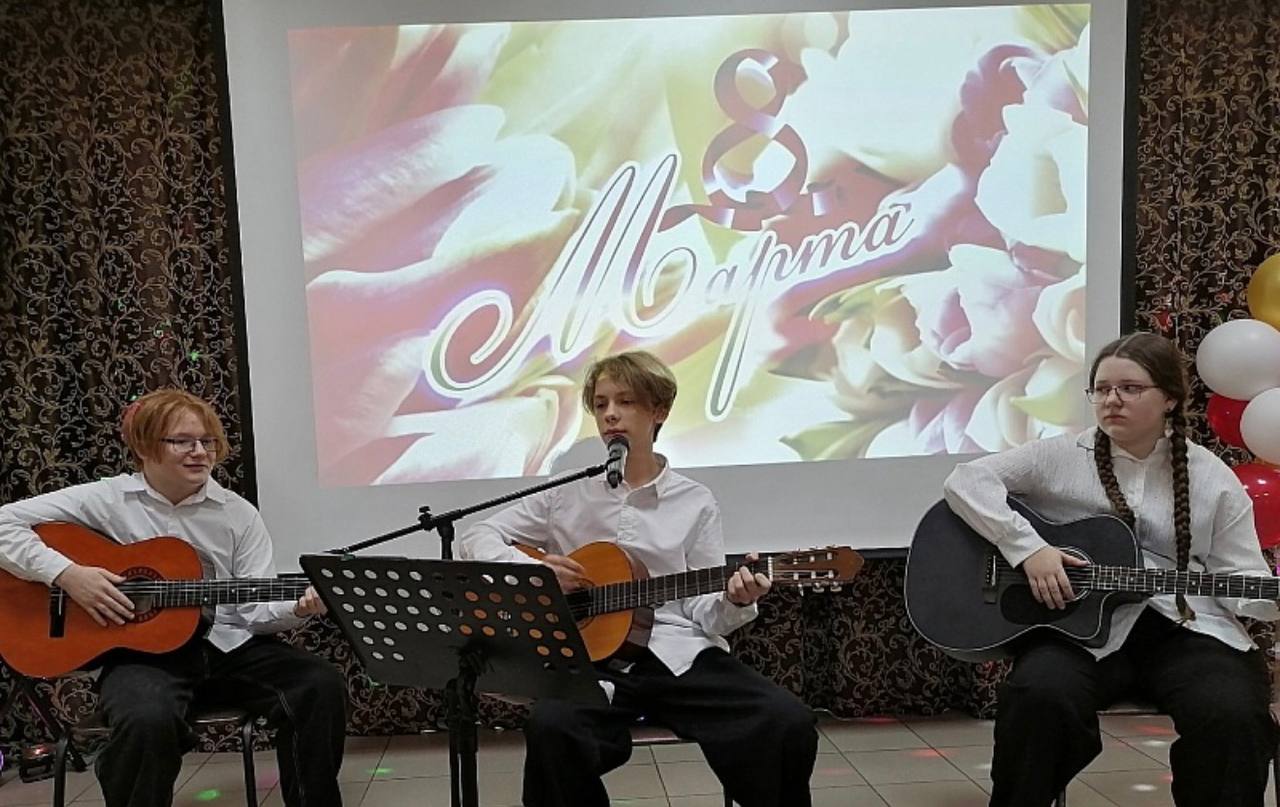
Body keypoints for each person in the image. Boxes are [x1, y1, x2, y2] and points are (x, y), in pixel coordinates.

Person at [459, 350, 818, 807]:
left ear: (659, 411)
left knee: (785, 721)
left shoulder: (695, 501)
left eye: (625, 401)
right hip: (586, 659)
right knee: (552, 727)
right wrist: (537, 570)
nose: (610, 414)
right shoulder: (565, 492)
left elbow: (706, 613)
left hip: (677, 654)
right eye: (601, 404)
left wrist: (736, 600)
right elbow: (477, 535)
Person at [943, 332, 1279, 807]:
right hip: (1079, 631)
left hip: (1185, 629)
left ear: (1169, 399)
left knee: (1232, 713)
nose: (1111, 400)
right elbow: (967, 480)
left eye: (1130, 388)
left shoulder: (1211, 477)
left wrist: (1269, 598)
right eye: (1101, 389)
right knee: (1037, 695)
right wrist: (1028, 549)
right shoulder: (1060, 455)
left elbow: (1241, 574)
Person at [0, 389, 347, 807]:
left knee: (319, 684)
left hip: (228, 649)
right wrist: (68, 574)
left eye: (207, 441)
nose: (200, 452)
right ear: (145, 446)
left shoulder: (237, 513)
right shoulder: (107, 499)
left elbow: (255, 610)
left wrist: (298, 608)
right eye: (182, 441)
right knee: (145, 719)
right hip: (142, 658)